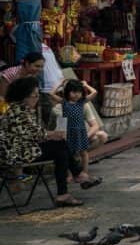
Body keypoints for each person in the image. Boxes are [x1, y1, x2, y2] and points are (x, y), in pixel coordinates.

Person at [0, 77, 96, 206]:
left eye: (37, 95)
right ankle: (74, 180)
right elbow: (35, 135)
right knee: (60, 148)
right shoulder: (19, 111)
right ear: (24, 96)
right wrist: (52, 135)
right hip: (17, 153)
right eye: (34, 96)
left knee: (60, 146)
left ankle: (71, 184)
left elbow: (33, 133)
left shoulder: (21, 109)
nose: (37, 98)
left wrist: (52, 135)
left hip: (24, 148)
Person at [50, 79, 101, 185]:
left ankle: (84, 173)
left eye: (79, 92)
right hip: (68, 132)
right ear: (67, 92)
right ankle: (69, 175)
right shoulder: (63, 102)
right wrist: (59, 84)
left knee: (83, 153)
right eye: (73, 91)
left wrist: (86, 85)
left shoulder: (82, 102)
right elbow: (51, 94)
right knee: (69, 155)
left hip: (80, 131)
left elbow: (95, 92)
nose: (76, 94)